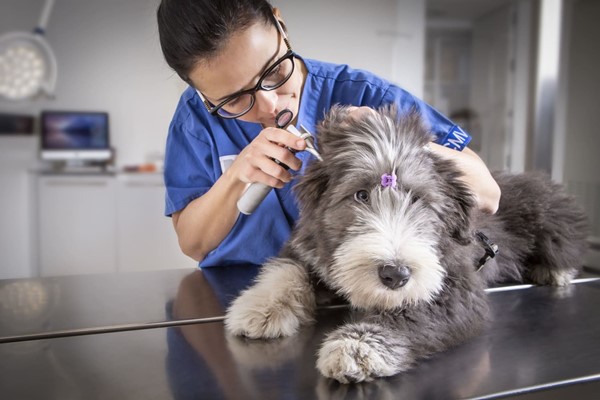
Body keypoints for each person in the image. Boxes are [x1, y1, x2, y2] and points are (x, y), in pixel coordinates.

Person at [156, 0, 501, 267]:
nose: (270, 104)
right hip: (236, 294)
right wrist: (235, 177)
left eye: (275, 72)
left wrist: (394, 139)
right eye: (234, 100)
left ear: (280, 25)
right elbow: (193, 244)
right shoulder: (195, 120)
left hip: (356, 289)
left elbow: (488, 193)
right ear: (201, 93)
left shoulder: (365, 93)